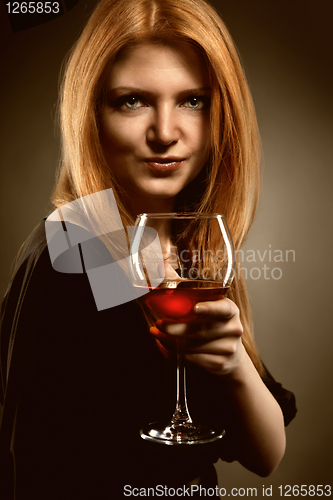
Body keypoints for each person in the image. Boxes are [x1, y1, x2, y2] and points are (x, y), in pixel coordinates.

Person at [0, 0, 297, 497]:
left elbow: (265, 457)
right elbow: (33, 467)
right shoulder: (82, 243)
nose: (165, 133)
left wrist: (233, 365)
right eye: (132, 101)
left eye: (193, 101)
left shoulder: (189, 245)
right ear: (91, 112)